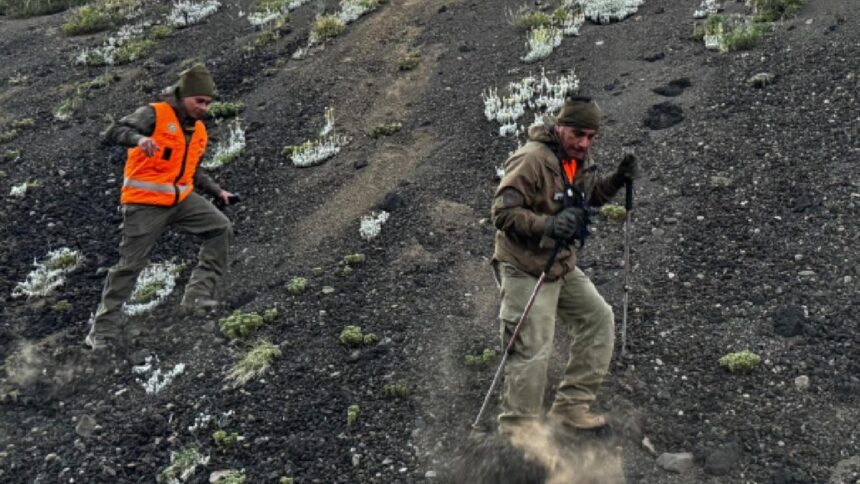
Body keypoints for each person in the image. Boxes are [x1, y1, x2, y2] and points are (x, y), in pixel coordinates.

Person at [491, 96, 639, 433]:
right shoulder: (531, 160)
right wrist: (548, 225)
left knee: (598, 319)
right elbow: (501, 213)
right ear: (560, 127)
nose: (584, 143)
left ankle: (570, 408)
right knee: (532, 347)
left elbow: (589, 197)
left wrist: (617, 179)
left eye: (591, 136)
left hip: (560, 262)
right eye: (577, 134)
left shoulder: (579, 159)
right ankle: (519, 433)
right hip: (524, 266)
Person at [85, 64, 236, 351]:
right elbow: (113, 130)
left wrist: (218, 192)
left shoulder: (198, 130)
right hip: (144, 204)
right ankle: (101, 332)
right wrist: (140, 139)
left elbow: (192, 170)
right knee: (130, 266)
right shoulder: (155, 114)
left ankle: (197, 297)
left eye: (208, 102)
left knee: (220, 228)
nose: (204, 107)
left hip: (180, 199)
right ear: (182, 96)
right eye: (199, 101)